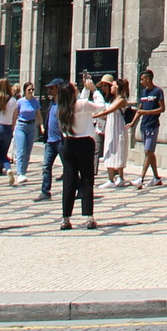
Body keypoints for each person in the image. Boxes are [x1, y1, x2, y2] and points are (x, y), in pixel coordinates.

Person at [57, 79, 97, 230]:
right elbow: (100, 106)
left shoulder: (62, 108)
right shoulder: (82, 104)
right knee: (87, 180)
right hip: (84, 142)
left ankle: (65, 218)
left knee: (69, 181)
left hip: (69, 143)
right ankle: (89, 216)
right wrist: (94, 90)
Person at [98, 77, 133, 191]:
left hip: (118, 127)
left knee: (118, 149)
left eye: (112, 85)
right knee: (110, 148)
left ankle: (119, 177)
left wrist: (94, 115)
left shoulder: (121, 100)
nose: (110, 87)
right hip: (111, 127)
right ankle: (111, 178)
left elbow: (109, 111)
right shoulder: (113, 99)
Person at [133, 70, 165, 188]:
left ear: (148, 79)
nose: (141, 82)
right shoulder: (143, 93)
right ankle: (156, 177)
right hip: (144, 125)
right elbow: (139, 109)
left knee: (148, 151)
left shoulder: (158, 91)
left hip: (152, 124)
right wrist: (133, 122)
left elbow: (162, 108)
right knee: (150, 152)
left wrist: (147, 112)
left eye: (142, 79)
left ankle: (141, 178)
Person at [11, 82, 41, 185]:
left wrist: (41, 126)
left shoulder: (35, 101)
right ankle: (19, 173)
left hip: (31, 126)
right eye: (29, 90)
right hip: (21, 126)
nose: (31, 92)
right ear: (25, 91)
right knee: (21, 150)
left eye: (32, 89)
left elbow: (38, 114)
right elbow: (15, 115)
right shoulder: (20, 102)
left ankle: (23, 172)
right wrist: (13, 127)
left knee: (28, 151)